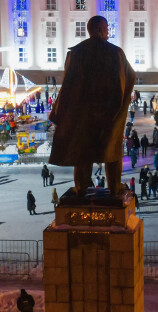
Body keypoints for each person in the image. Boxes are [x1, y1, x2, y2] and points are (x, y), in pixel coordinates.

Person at [49, 15, 137, 196]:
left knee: (83, 152)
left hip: (83, 114)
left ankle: (81, 188)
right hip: (109, 113)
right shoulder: (115, 52)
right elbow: (130, 77)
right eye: (106, 28)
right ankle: (114, 187)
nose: (108, 32)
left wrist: (58, 112)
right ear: (99, 30)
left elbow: (67, 85)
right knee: (112, 152)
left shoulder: (76, 53)